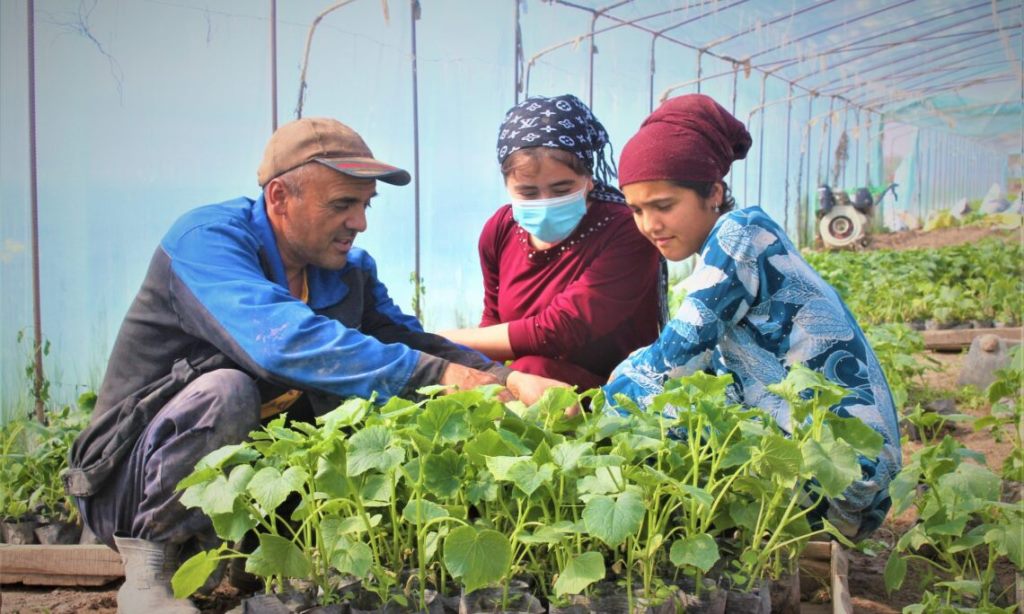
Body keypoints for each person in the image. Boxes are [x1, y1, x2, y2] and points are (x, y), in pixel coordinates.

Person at [64, 117, 568, 613]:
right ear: (280, 198)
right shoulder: (206, 242)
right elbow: (281, 342)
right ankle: (149, 572)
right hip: (126, 479)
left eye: (366, 204)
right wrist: (436, 376)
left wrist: (505, 379)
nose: (360, 222)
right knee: (228, 391)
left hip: (237, 487)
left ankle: (252, 561)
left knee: (374, 395)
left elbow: (405, 339)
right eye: (342, 204)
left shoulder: (347, 272)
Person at [603, 94, 901, 540]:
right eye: (637, 210)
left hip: (841, 478)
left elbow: (675, 359)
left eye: (663, 206)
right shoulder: (737, 238)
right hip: (845, 474)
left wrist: (591, 410)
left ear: (714, 193)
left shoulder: (740, 234)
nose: (650, 225)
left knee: (658, 415)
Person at [439, 94, 662, 391]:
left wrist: (439, 340)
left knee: (531, 370)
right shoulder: (500, 229)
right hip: (529, 383)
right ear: (507, 186)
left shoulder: (625, 229)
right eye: (528, 193)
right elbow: (492, 320)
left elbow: (560, 329)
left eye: (562, 189)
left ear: (588, 178)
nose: (545, 203)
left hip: (615, 393)